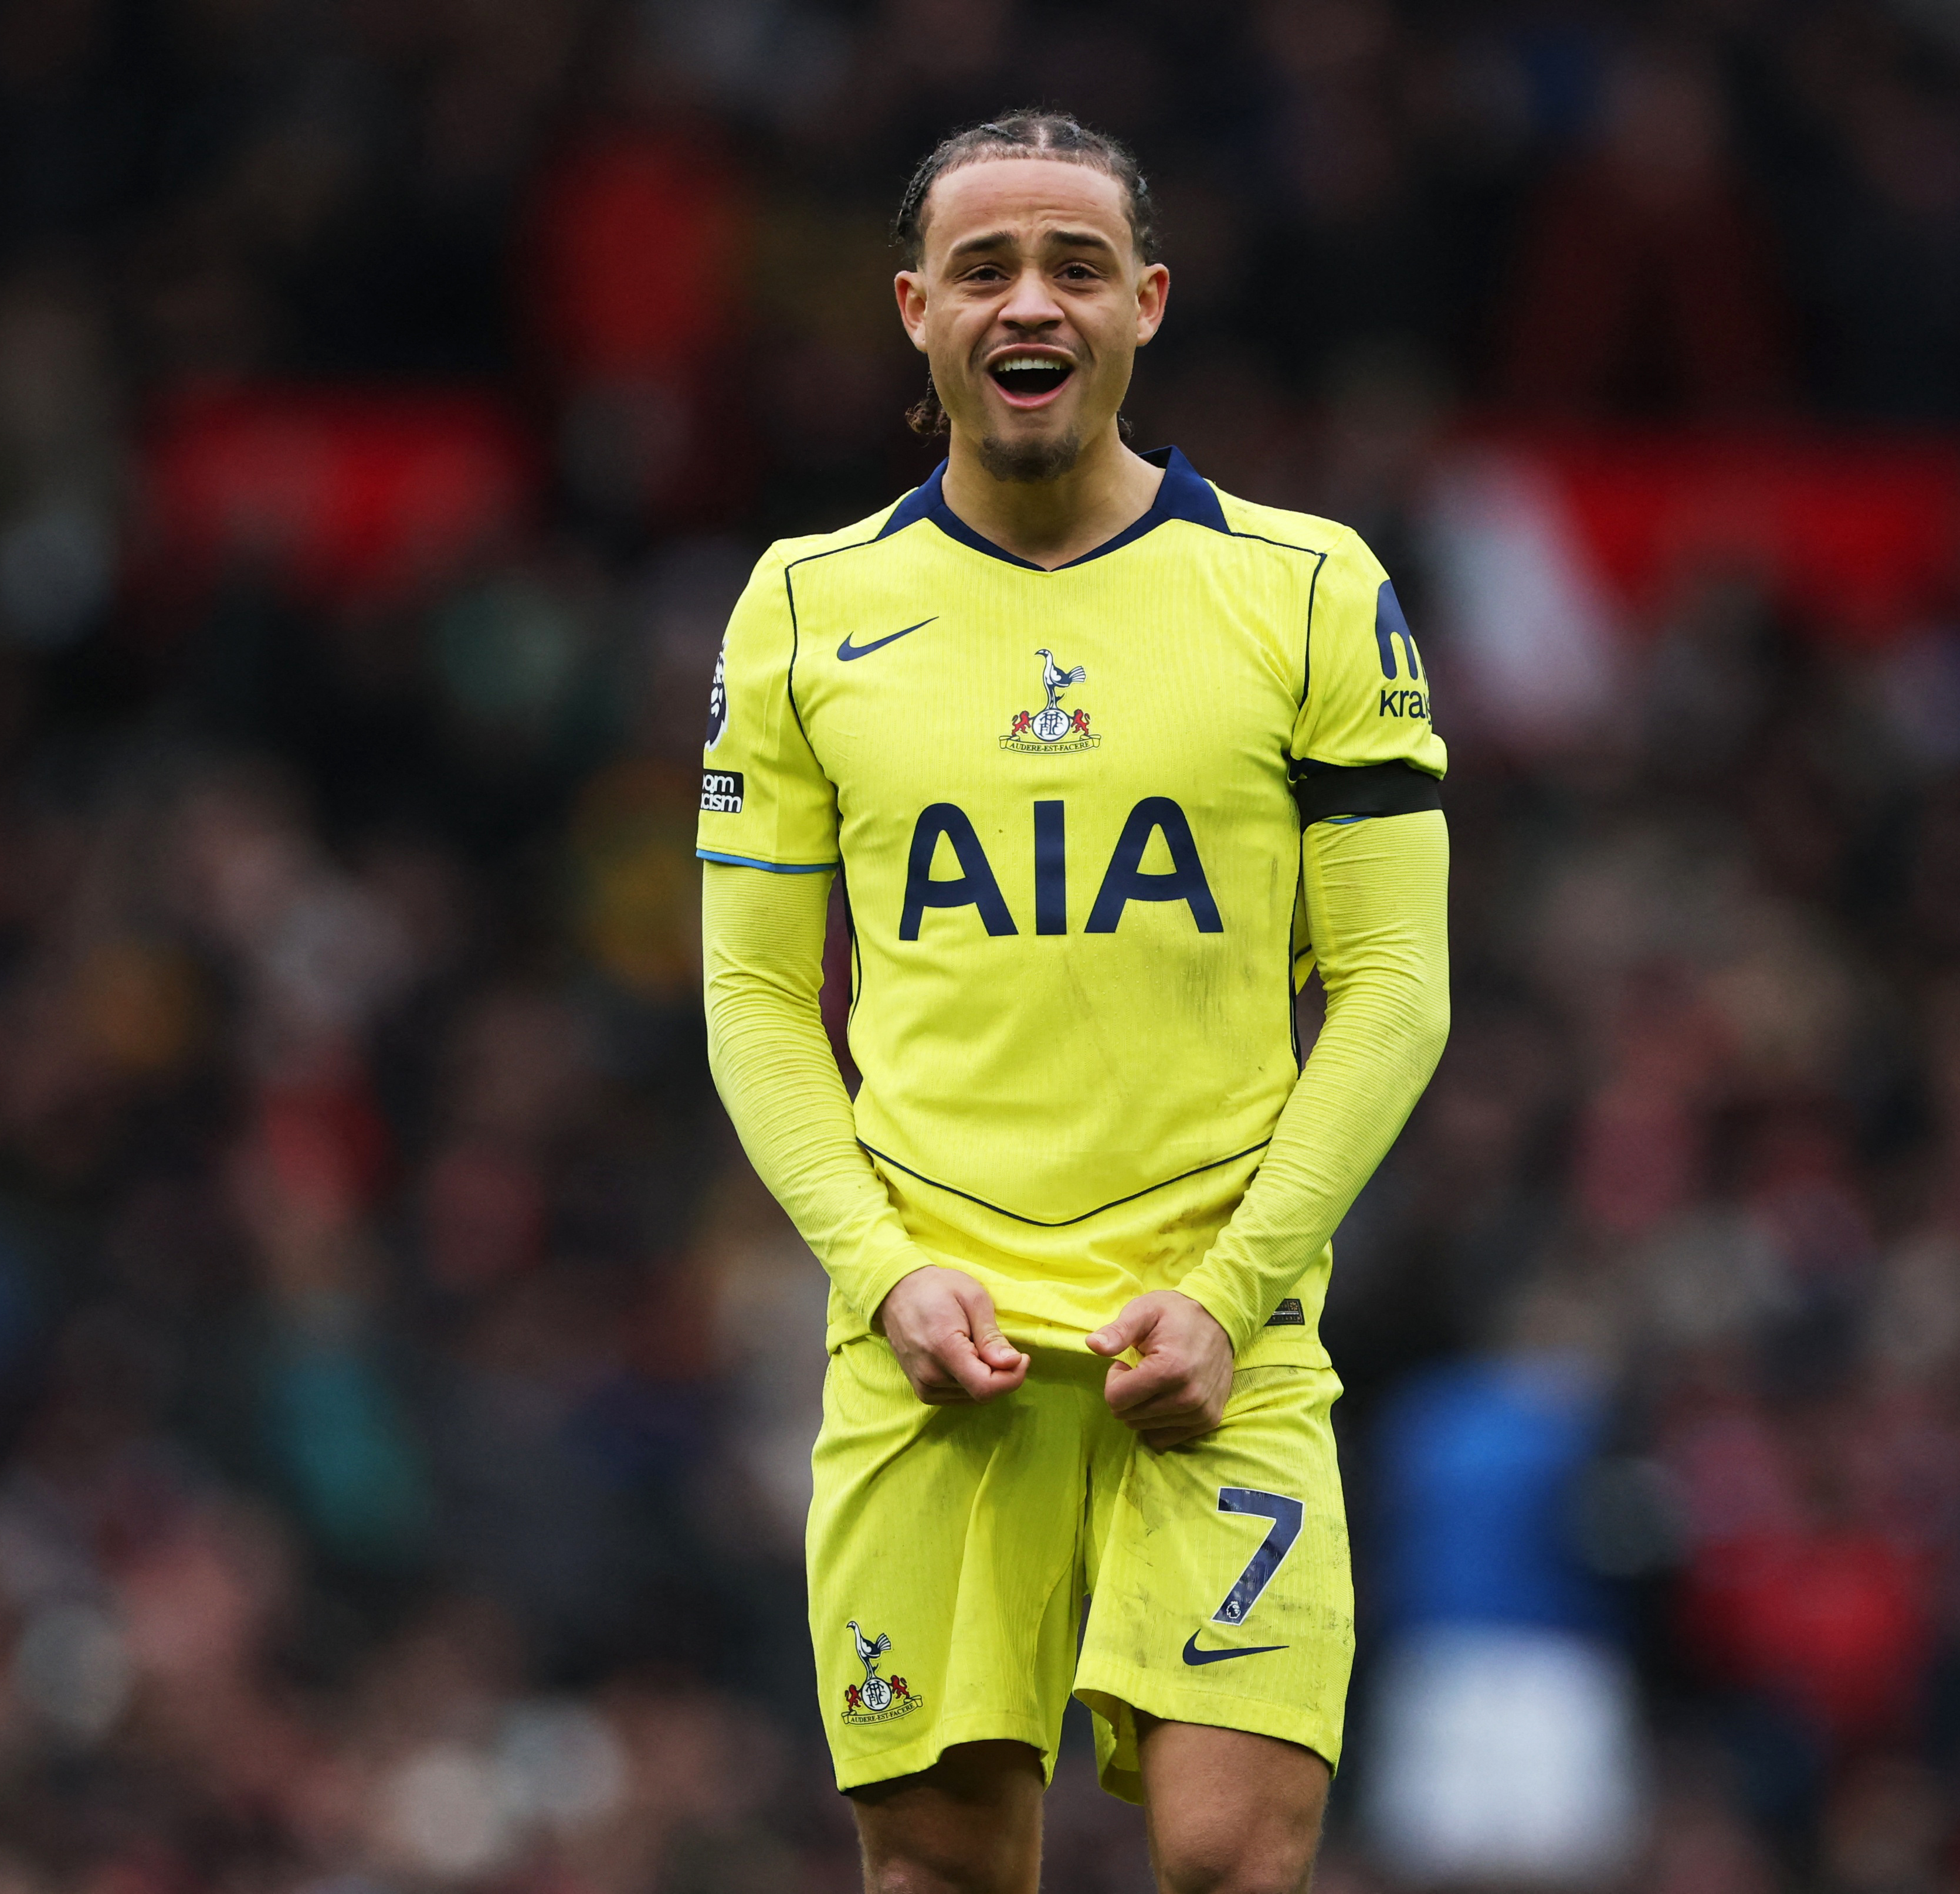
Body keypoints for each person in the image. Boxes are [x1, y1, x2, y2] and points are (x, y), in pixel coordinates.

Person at [698, 110, 1450, 1894]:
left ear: (1146, 304)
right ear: (912, 310)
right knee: (944, 1872)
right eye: (983, 270)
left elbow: (1395, 984)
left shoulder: (1307, 588)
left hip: (1215, 1321)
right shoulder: (803, 610)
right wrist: (882, 1277)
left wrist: (1232, 1288)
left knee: (1228, 1859)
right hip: (931, 1329)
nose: (1027, 301)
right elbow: (748, 996)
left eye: (1074, 267)